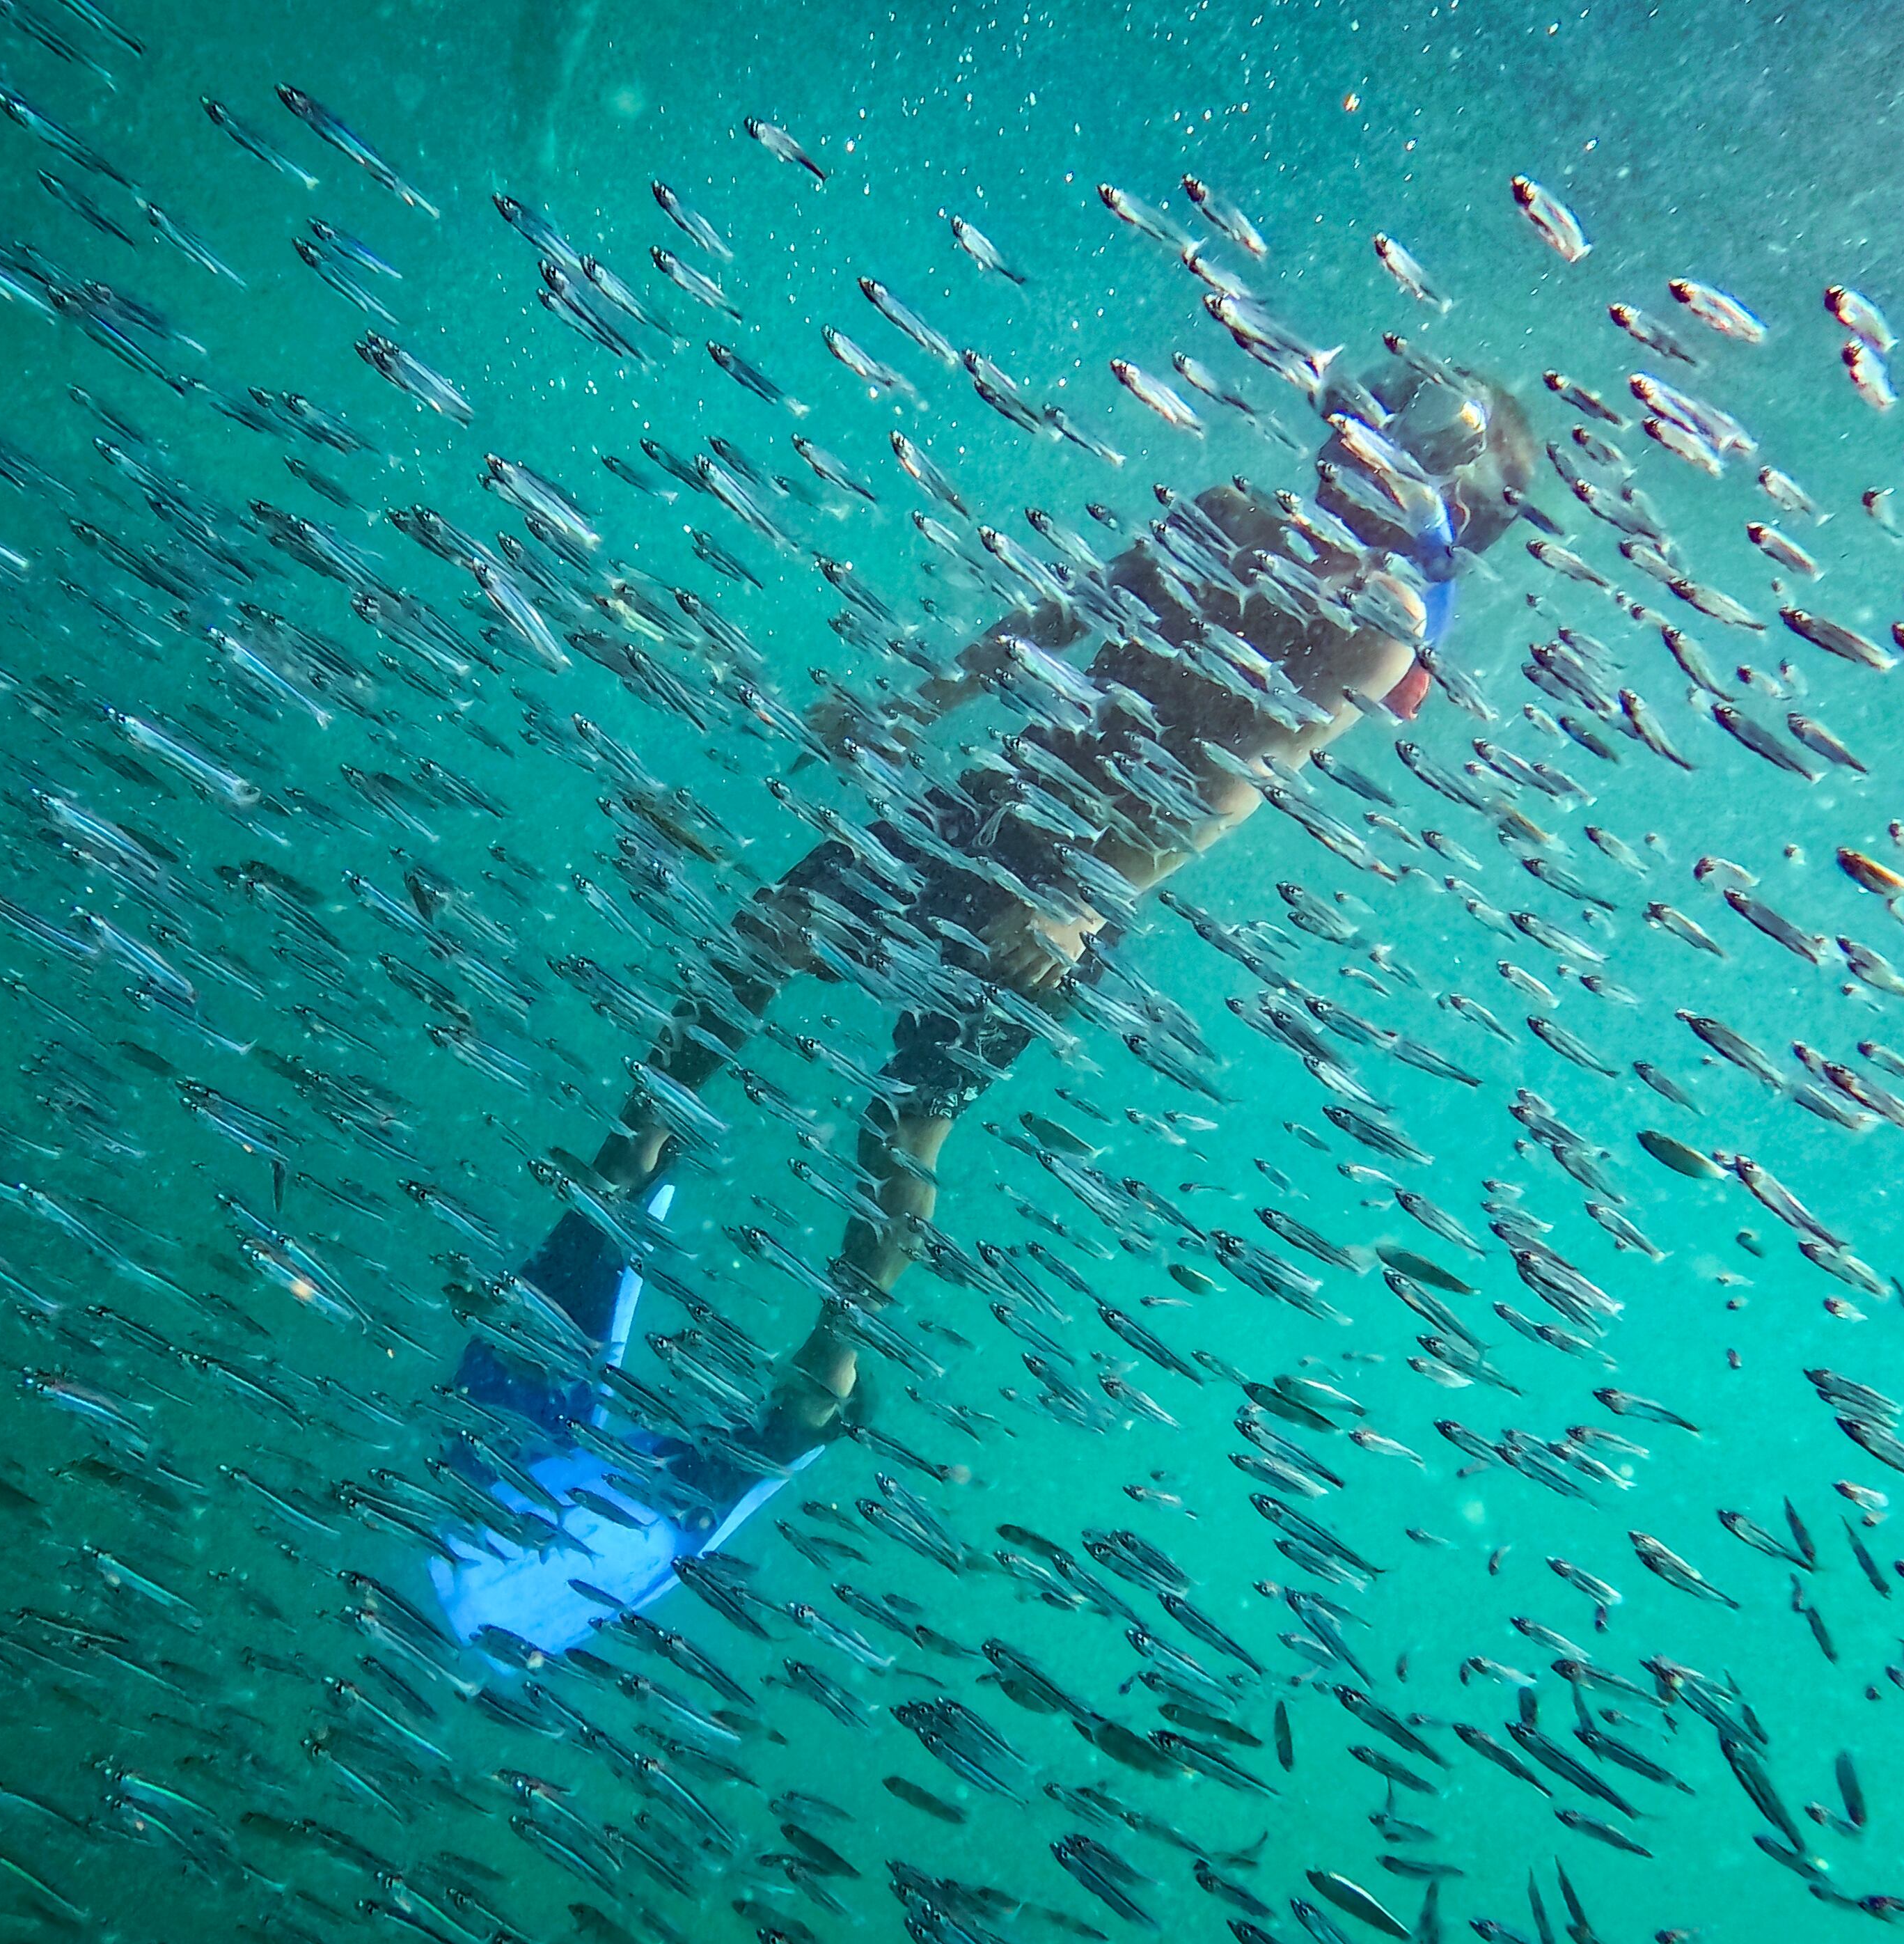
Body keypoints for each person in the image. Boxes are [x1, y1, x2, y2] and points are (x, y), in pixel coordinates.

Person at [426, 352, 1540, 1656]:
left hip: (1078, 873)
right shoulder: (1230, 516)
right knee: (760, 940)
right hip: (999, 796)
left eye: (1420, 435)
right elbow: (1060, 615)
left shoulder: (1386, 621)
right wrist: (916, 708)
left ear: (1450, 499)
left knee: (906, 1124)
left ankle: (819, 1382)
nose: (1366, 435)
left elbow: (1251, 774)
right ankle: (612, 1189)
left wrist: (1082, 898)